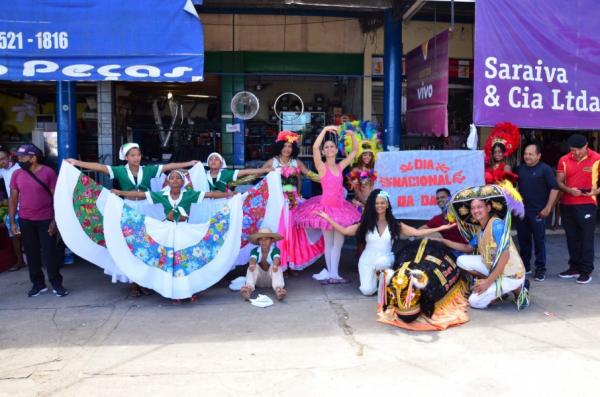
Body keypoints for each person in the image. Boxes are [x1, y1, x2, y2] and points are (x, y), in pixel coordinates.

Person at [67, 142, 198, 296]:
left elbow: (169, 166)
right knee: (131, 246)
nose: (137, 158)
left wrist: (189, 163)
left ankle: (147, 281)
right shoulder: (120, 171)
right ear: (126, 157)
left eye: (138, 155)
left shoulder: (148, 170)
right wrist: (76, 163)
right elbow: (99, 167)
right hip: (128, 208)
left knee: (148, 245)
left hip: (147, 208)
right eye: (133, 155)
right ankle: (135, 283)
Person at [316, 189, 456, 295]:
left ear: (387, 204)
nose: (380, 205)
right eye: (377, 203)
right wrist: (328, 218)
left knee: (381, 263)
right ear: (373, 205)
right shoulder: (366, 223)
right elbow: (345, 231)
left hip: (385, 258)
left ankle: (385, 283)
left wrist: (441, 227)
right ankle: (378, 282)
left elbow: (416, 232)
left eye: (382, 203)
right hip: (367, 259)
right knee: (367, 291)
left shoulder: (394, 224)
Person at [438, 185, 528, 310]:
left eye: (479, 207)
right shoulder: (481, 230)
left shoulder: (497, 225)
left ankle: (517, 290)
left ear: (488, 208)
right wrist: (443, 241)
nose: (476, 211)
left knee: (474, 301)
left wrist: (488, 281)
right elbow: (467, 247)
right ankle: (496, 290)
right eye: (473, 208)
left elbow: (505, 255)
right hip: (494, 269)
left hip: (511, 274)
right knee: (461, 260)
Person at [294, 125, 361, 284]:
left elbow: (354, 151)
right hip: (326, 209)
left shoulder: (340, 166)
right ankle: (333, 275)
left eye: (332, 146)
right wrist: (324, 130)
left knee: (338, 242)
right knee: (330, 242)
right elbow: (315, 147)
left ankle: (333, 274)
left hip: (340, 209)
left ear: (336, 150)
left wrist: (351, 135)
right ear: (324, 152)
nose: (329, 149)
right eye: (327, 147)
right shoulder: (321, 167)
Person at [8, 144, 68, 297]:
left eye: (23, 157)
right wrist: (13, 221)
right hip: (25, 219)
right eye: (18, 157)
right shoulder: (17, 174)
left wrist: (55, 221)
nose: (19, 160)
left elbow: (57, 198)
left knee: (49, 254)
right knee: (31, 253)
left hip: (46, 219)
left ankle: (56, 283)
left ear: (33, 158)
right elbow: (13, 199)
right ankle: (38, 284)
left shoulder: (48, 173)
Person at [260, 131, 323, 271]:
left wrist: (327, 178)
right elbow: (258, 174)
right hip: (277, 204)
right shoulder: (273, 162)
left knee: (295, 232)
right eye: (285, 146)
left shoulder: (296, 162)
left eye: (290, 146)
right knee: (281, 231)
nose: (287, 149)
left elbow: (309, 174)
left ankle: (293, 263)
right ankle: (281, 263)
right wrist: (239, 179)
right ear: (280, 147)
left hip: (294, 201)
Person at [556, 134, 600, 284]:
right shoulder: (564, 159)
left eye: (577, 150)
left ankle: (586, 271)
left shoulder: (597, 158)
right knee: (571, 238)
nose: (574, 153)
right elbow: (559, 182)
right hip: (567, 203)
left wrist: (597, 191)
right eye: (572, 150)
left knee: (586, 238)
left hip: (588, 202)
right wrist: (568, 190)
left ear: (586, 146)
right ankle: (574, 268)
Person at [112, 169, 233, 222]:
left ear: (183, 182)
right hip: (167, 229)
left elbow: (210, 194)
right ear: (168, 182)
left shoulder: (189, 194)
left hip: (184, 228)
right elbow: (141, 194)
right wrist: (120, 192)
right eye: (172, 178)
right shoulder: (162, 195)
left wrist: (231, 194)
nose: (175, 180)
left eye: (178, 178)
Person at [515, 142, 559, 281]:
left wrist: (548, 208)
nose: (527, 156)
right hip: (522, 213)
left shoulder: (545, 170)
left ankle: (540, 269)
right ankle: (525, 266)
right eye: (525, 154)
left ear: (538, 156)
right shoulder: (519, 169)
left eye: (530, 154)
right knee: (523, 240)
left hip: (539, 212)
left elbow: (555, 188)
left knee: (539, 241)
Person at [240, 227, 286, 301]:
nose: (263, 241)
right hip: (259, 281)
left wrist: (275, 265)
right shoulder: (255, 250)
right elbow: (253, 258)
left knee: (276, 267)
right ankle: (248, 289)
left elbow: (276, 258)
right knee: (252, 267)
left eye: (266, 239)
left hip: (271, 280)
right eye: (261, 239)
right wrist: (252, 264)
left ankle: (279, 289)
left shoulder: (275, 250)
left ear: (271, 241)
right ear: (258, 241)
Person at [0, 145, 25, 271]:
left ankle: (35, 261)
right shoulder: (3, 171)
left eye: (3, 158)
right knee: (14, 236)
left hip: (26, 207)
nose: (1, 162)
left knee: (29, 237)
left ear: (10, 156)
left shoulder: (20, 167)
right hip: (13, 207)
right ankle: (20, 261)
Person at [205, 152, 270, 193]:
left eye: (216, 159)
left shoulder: (226, 174)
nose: (213, 161)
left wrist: (265, 170)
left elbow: (246, 172)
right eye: (211, 159)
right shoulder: (203, 175)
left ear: (221, 163)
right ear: (207, 163)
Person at [348, 142, 378, 209]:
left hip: (372, 203)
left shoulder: (373, 170)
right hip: (361, 204)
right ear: (360, 156)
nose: (367, 157)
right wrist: (365, 203)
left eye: (370, 155)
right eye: (365, 155)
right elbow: (356, 190)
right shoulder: (355, 171)